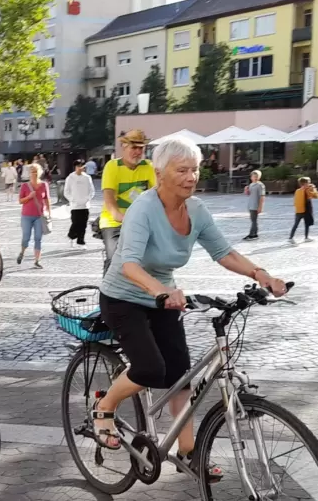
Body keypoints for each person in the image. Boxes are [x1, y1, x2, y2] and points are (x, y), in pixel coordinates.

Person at [96, 137, 288, 477]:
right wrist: (161, 291)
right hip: (124, 298)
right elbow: (129, 264)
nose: (191, 177)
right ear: (159, 173)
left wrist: (262, 275)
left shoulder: (196, 209)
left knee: (181, 376)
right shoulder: (144, 207)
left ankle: (187, 452)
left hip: (163, 298)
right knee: (150, 369)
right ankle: (105, 407)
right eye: (181, 170)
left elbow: (224, 252)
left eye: (195, 170)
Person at [99, 129, 156, 275]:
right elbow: (110, 201)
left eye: (141, 148)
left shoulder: (148, 167)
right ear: (124, 147)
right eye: (134, 148)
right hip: (114, 222)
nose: (137, 152)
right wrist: (122, 217)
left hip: (140, 222)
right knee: (115, 259)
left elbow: (159, 194)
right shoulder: (112, 166)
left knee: (151, 260)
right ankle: (107, 292)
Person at [17, 163, 51, 269]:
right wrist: (29, 197)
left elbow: (47, 199)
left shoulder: (44, 185)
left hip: (39, 216)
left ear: (40, 172)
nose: (34, 174)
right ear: (29, 173)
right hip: (26, 216)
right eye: (32, 172)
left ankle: (37, 260)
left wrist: (49, 212)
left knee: (38, 238)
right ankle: (22, 252)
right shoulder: (25, 186)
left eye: (36, 171)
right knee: (26, 237)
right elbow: (20, 201)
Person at [64, 159, 95, 248]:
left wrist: (88, 199)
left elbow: (92, 190)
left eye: (81, 166)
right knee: (75, 223)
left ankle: (80, 241)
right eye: (78, 166)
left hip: (85, 205)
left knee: (83, 224)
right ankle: (71, 236)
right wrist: (72, 199)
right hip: (75, 206)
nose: (80, 168)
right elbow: (66, 191)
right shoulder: (70, 177)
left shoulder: (87, 178)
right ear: (75, 167)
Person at [289, 177, 317, 244]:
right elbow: (315, 196)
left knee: (305, 224)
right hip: (302, 210)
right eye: (308, 182)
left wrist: (313, 189)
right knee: (297, 224)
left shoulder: (300, 190)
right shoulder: (304, 190)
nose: (309, 184)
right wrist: (313, 189)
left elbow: (315, 196)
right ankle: (291, 238)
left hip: (302, 210)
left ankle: (306, 237)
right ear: (305, 183)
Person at [243, 170, 265, 241]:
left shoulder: (260, 185)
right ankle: (254, 234)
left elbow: (262, 196)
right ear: (251, 177)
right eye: (253, 176)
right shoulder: (251, 184)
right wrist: (246, 190)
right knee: (253, 220)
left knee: (254, 220)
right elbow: (248, 194)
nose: (255, 178)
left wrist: (260, 207)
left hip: (256, 205)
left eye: (256, 176)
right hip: (250, 204)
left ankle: (252, 234)